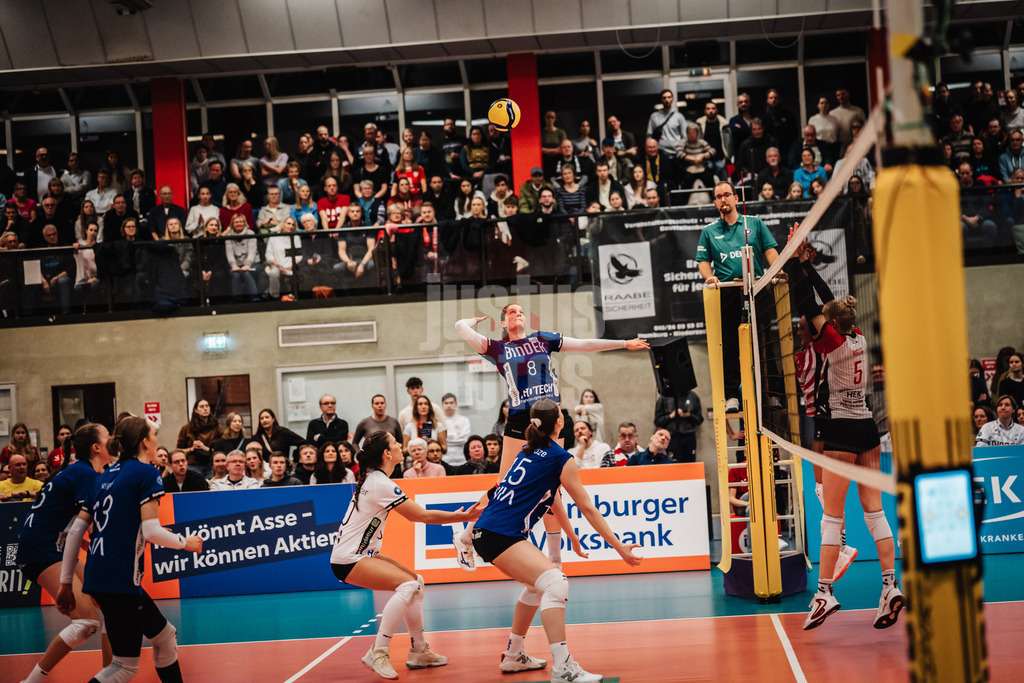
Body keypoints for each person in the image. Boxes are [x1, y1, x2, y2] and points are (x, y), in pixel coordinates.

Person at [453, 303, 648, 570]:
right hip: (521, 419)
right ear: (503, 323)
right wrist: (474, 320)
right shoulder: (498, 349)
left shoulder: (543, 339)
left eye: (521, 311)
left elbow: (584, 345)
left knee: (553, 489)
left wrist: (624, 344)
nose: (518, 314)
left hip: (551, 416)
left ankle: (555, 560)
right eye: (511, 312)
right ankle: (465, 536)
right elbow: (460, 327)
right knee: (503, 485)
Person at [470, 399, 642, 681]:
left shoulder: (528, 451)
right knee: (555, 582)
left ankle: (513, 655)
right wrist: (618, 546)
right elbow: (587, 508)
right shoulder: (560, 458)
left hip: (488, 531)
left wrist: (572, 537)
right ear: (560, 423)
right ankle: (563, 666)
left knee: (536, 586)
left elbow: (553, 500)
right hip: (499, 534)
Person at [784, 238, 904, 631]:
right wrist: (808, 267)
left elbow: (810, 304)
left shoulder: (832, 343)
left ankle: (824, 593)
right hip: (868, 428)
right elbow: (828, 301)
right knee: (876, 513)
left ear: (830, 325)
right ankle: (889, 586)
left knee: (832, 519)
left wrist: (794, 265)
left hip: (839, 430)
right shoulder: (858, 337)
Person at [55, 416, 203, 683]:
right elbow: (151, 530)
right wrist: (186, 543)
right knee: (124, 667)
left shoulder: (103, 476)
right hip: (120, 580)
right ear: (145, 442)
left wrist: (66, 583)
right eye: (154, 435)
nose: (156, 440)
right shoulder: (147, 472)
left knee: (165, 637)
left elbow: (75, 531)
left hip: (100, 576)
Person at [329, 431, 481, 679]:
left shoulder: (374, 478)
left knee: (416, 583)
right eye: (395, 442)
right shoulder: (380, 483)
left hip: (363, 554)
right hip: (349, 559)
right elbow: (421, 516)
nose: (401, 445)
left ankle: (419, 651)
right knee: (407, 586)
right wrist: (461, 516)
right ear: (387, 453)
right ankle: (378, 652)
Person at [16, 424, 114, 683]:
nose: (113, 439)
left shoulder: (80, 471)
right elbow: (92, 522)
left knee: (110, 604)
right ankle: (30, 682)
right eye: (108, 436)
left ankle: (110, 675)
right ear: (96, 447)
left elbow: (65, 517)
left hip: (51, 546)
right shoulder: (85, 473)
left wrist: (83, 541)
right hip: (40, 551)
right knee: (86, 623)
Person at [696, 181, 781, 413]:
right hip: (727, 292)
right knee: (729, 346)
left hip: (757, 290)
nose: (723, 199)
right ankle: (732, 396)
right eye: (718, 197)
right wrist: (709, 277)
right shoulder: (709, 231)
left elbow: (770, 250)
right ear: (715, 203)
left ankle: (772, 393)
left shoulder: (754, 223)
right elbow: (703, 262)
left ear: (735, 197)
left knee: (764, 342)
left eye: (727, 195)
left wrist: (776, 269)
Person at [654, 390, 704, 462]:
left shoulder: (692, 396)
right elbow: (657, 421)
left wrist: (688, 415)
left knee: (690, 463)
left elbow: (699, 420)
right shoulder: (664, 397)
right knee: (672, 463)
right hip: (671, 437)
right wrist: (671, 416)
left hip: (689, 436)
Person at [175, 398, 219, 476]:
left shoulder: (217, 427)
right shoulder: (186, 428)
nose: (205, 408)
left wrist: (205, 448)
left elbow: (221, 449)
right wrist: (192, 449)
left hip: (211, 465)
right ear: (196, 410)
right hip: (193, 465)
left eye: (207, 406)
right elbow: (178, 450)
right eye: (202, 406)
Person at [647, 89, 687, 160]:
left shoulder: (679, 117)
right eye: (664, 98)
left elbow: (684, 137)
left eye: (669, 97)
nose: (667, 100)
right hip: (661, 152)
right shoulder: (654, 116)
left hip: (677, 153)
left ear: (672, 99)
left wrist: (681, 151)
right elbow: (649, 136)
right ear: (661, 100)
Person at [440, 393, 471, 463]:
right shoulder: (439, 421)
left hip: (462, 458)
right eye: (446, 403)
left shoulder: (464, 420)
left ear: (456, 404)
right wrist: (457, 435)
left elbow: (464, 440)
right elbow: (439, 441)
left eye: (451, 403)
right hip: (445, 458)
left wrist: (446, 438)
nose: (449, 405)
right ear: (442, 405)